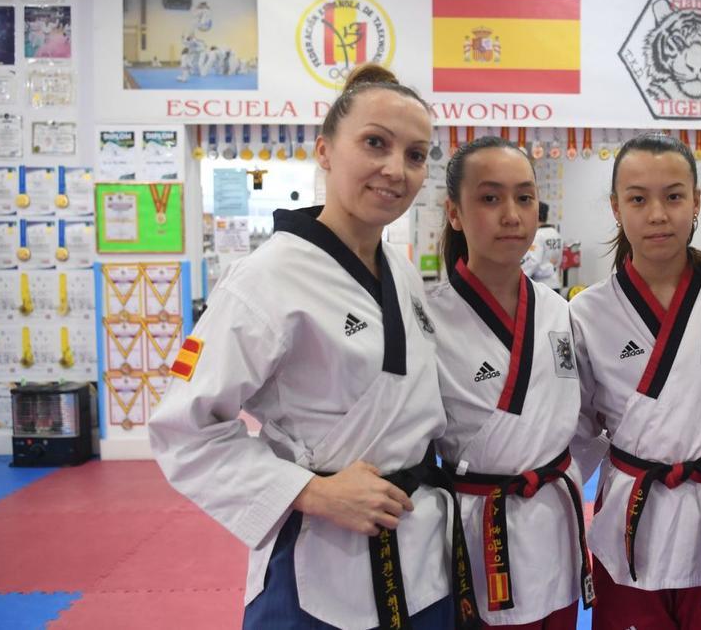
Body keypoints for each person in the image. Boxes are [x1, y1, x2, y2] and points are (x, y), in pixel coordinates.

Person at [149, 64, 479, 630]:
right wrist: (310, 493)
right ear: (325, 151)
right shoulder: (265, 278)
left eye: (416, 154)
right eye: (375, 143)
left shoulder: (398, 268)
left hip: (421, 551)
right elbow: (184, 427)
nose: (395, 169)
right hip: (320, 562)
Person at [571, 133, 701, 630]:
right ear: (615, 207)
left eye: (673, 196)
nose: (657, 214)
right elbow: (577, 431)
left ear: (696, 201)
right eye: (637, 198)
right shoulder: (587, 312)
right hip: (632, 516)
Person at [429, 136, 593, 629]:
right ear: (454, 212)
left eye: (524, 198)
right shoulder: (427, 322)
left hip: (555, 523)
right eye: (489, 197)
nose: (512, 215)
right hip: (483, 532)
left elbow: (579, 418)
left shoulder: (558, 310)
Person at [521, 201, 563, 291]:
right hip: (555, 282)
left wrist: (520, 277)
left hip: (541, 285)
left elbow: (534, 261)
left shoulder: (538, 235)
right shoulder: (556, 234)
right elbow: (559, 260)